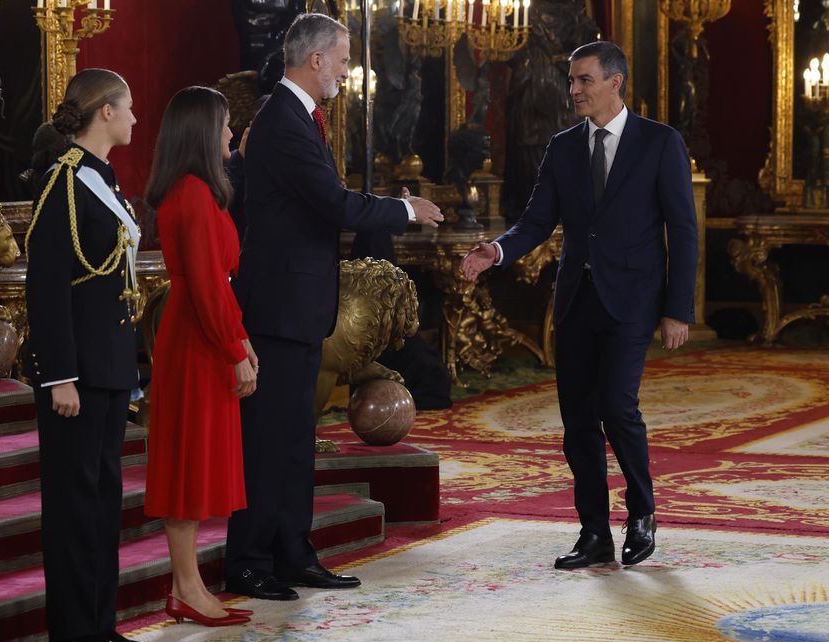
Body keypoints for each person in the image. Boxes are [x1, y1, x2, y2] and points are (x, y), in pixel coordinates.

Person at [225, 12, 443, 601]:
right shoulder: (282, 120)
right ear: (316, 59)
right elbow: (333, 203)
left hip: (299, 305)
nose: (348, 70)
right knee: (269, 442)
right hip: (278, 307)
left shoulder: (297, 116)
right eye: (344, 59)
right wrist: (403, 210)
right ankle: (248, 561)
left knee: (296, 440)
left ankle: (293, 553)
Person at [461, 41, 697, 569]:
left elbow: (683, 230)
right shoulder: (563, 147)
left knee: (617, 406)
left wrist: (677, 309)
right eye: (571, 80)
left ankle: (642, 512)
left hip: (633, 299)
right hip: (574, 301)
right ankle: (594, 533)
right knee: (578, 422)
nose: (573, 90)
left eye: (584, 80)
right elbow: (536, 221)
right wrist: (496, 250)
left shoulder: (660, 142)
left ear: (615, 82)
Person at [23, 68, 149, 642]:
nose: (135, 117)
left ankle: (100, 622)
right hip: (75, 373)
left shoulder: (102, 179)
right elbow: (47, 287)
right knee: (75, 504)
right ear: (105, 112)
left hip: (110, 365)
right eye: (129, 107)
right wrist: (59, 375)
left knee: (102, 501)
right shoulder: (63, 182)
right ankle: (75, 631)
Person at [143, 86, 256, 627]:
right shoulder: (190, 193)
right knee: (187, 464)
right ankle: (186, 588)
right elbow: (208, 286)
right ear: (202, 131)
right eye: (225, 123)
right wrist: (234, 347)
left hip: (204, 332)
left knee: (195, 461)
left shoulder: (198, 190)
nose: (230, 132)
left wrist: (241, 339)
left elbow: (218, 284)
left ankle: (186, 586)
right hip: (195, 340)